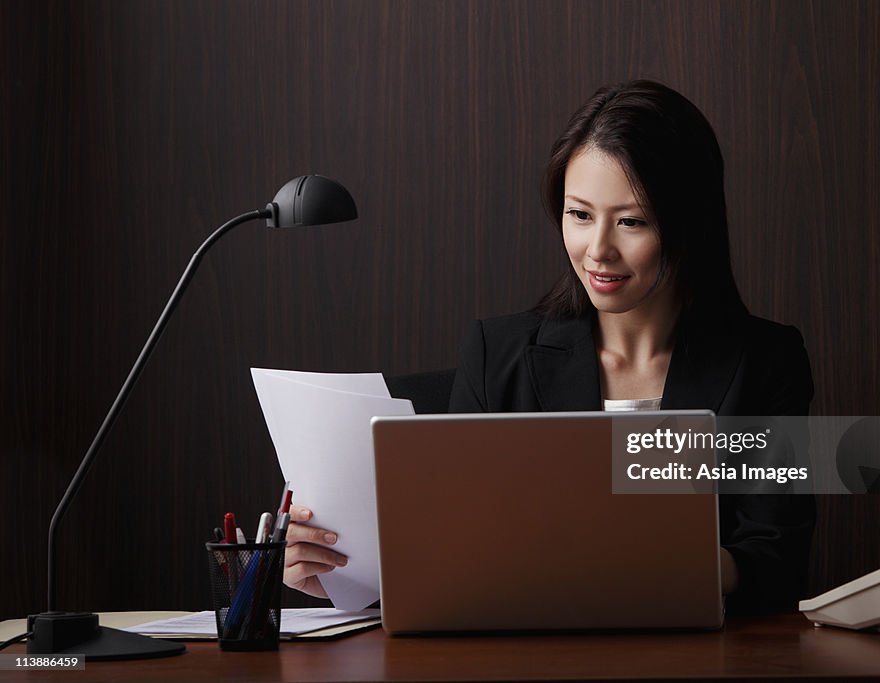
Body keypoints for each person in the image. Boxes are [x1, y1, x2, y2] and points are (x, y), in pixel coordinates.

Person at [285, 80, 815, 614]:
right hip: (530, 659)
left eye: (631, 221)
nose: (598, 250)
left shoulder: (766, 361)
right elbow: (459, 559)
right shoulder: (497, 353)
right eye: (579, 215)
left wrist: (659, 556)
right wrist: (349, 580)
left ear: (689, 224)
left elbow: (779, 561)